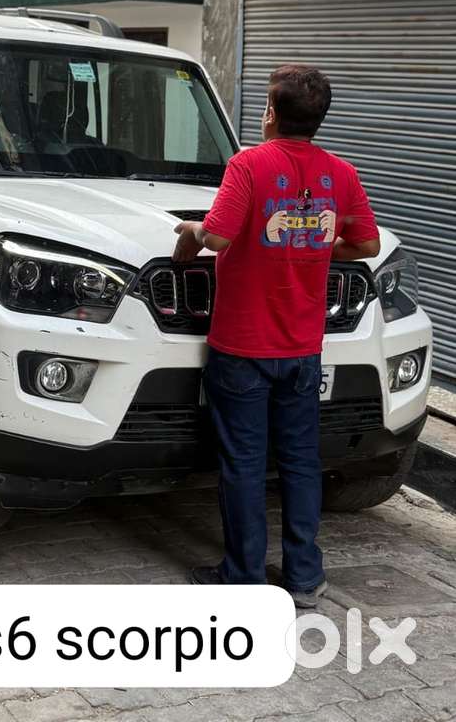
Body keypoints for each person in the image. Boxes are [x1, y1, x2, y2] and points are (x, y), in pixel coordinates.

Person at [172, 64, 380, 607]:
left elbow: (218, 234)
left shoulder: (249, 164)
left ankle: (243, 576)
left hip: (242, 347)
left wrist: (190, 232)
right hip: (303, 349)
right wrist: (313, 247)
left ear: (270, 113)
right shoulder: (342, 174)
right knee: (300, 460)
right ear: (318, 118)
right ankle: (306, 578)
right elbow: (366, 245)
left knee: (243, 462)